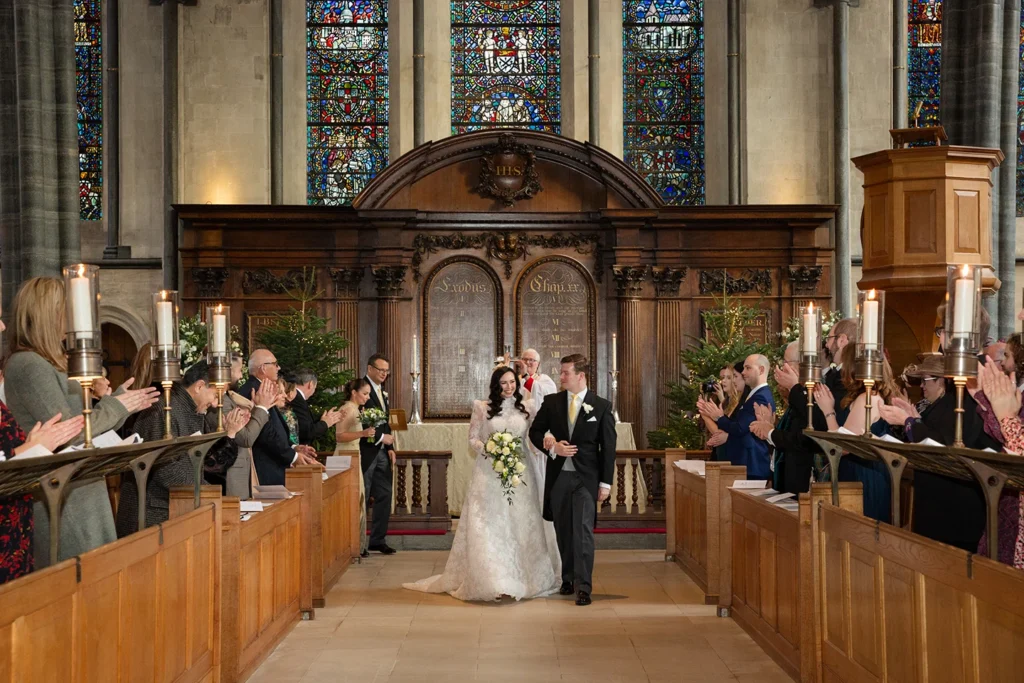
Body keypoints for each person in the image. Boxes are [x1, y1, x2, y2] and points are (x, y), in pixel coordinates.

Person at [4, 277, 159, 566]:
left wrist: (119, 404)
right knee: (78, 580)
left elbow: (87, 427)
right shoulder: (28, 365)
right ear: (48, 313)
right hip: (62, 495)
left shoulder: (49, 362)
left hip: (80, 486)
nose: (74, 317)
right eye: (67, 308)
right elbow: (69, 432)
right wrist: (115, 406)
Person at [404, 366, 560, 601]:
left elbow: (538, 432)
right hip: (490, 471)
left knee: (520, 522)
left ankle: (523, 576)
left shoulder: (528, 407)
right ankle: (493, 579)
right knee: (491, 523)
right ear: (496, 386)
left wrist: (549, 439)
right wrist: (490, 449)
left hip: (521, 472)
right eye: (503, 383)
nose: (508, 387)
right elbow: (473, 438)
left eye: (512, 382)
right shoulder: (482, 407)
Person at [115, 361, 248, 536]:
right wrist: (209, 492)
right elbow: (166, 470)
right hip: (152, 515)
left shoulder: (193, 411)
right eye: (216, 396)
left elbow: (204, 462)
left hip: (177, 507)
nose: (216, 404)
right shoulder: (163, 410)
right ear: (200, 386)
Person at [529, 354, 616, 607]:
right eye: (561, 372)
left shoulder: (600, 406)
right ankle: (567, 577)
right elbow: (535, 433)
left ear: (580, 375)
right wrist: (553, 447)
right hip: (559, 478)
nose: (561, 377)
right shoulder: (552, 402)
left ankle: (584, 586)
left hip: (586, 480)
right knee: (564, 531)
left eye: (566, 372)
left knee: (583, 532)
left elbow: (608, 448)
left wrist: (605, 483)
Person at [237, 349, 320, 486]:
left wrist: (293, 446)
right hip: (265, 465)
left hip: (273, 463)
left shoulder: (262, 386)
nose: (278, 367)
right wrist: (292, 456)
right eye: (275, 364)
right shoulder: (254, 389)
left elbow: (275, 426)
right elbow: (265, 432)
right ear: (263, 368)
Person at [205, 358, 275, 499]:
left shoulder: (228, 398)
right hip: (229, 476)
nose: (241, 376)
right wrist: (262, 407)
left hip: (237, 473)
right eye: (238, 371)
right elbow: (245, 438)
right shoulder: (220, 402)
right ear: (226, 372)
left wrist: (256, 409)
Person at [698, 354, 776, 480]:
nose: (743, 372)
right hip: (744, 461)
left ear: (761, 370)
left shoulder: (760, 396)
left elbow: (741, 428)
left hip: (751, 462)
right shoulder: (754, 394)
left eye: (748, 368)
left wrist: (719, 417)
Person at [335, 377, 377, 558]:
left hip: (354, 456)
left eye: (368, 394)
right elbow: (339, 436)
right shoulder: (347, 409)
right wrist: (363, 433)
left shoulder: (355, 409)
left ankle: (357, 545)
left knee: (358, 499)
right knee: (351, 500)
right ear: (354, 393)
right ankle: (350, 545)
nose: (367, 397)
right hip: (345, 458)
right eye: (365, 393)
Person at [361, 353, 398, 555]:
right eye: (381, 370)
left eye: (386, 371)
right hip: (367, 449)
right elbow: (361, 420)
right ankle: (358, 543)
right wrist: (380, 439)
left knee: (384, 494)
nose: (384, 374)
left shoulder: (382, 392)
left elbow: (384, 422)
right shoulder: (360, 387)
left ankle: (378, 539)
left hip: (382, 451)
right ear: (370, 369)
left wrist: (390, 447)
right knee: (364, 496)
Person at [287, 368, 342, 446]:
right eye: (315, 388)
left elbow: (303, 423)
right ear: (311, 384)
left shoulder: (298, 398)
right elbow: (306, 432)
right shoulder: (296, 399)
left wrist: (323, 419)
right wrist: (325, 423)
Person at [703, 362, 744, 459]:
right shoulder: (727, 401)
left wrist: (705, 414)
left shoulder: (739, 403)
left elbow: (719, 432)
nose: (723, 381)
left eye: (728, 378)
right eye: (722, 378)